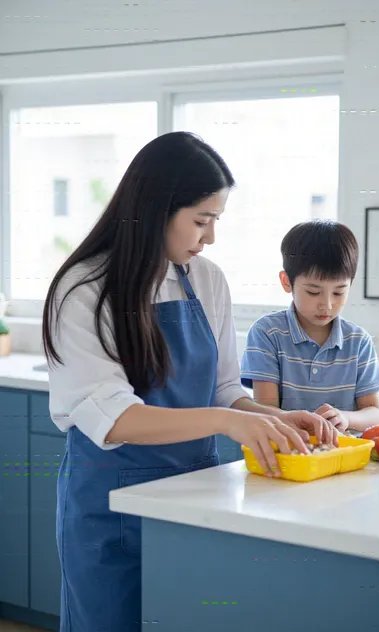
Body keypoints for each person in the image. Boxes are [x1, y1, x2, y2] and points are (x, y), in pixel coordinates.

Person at [42, 132, 338, 632]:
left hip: (194, 497)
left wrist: (277, 418)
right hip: (109, 508)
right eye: (202, 220)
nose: (210, 236)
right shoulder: (84, 290)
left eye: (216, 220)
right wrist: (227, 422)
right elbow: (114, 419)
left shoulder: (205, 279)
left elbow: (224, 390)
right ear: (156, 209)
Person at [240, 220, 379, 434]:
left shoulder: (358, 340)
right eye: (313, 292)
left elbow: (375, 413)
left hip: (343, 455)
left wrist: (345, 417)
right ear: (286, 282)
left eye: (338, 292)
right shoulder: (267, 333)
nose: (327, 304)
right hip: (288, 455)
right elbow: (266, 411)